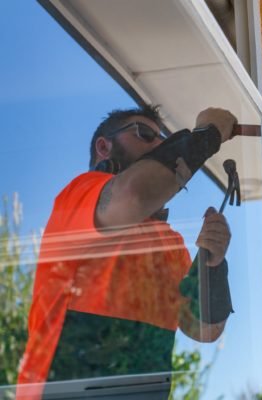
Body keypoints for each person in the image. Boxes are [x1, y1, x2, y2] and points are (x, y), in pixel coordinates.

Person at [17, 105, 237, 398]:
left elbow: (203, 330)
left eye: (161, 139)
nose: (159, 144)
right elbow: (133, 195)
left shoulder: (171, 246)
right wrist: (206, 135)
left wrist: (213, 264)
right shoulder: (80, 194)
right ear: (104, 147)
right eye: (145, 134)